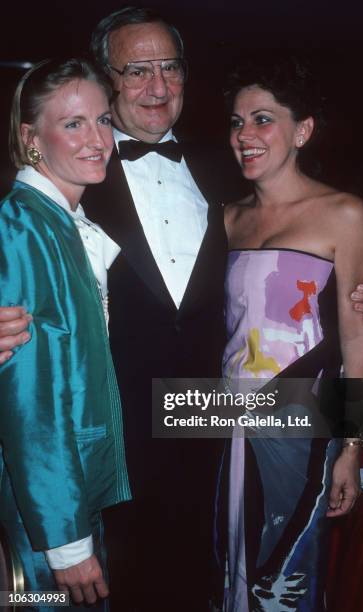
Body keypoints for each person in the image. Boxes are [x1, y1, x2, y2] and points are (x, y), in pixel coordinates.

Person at [0, 8, 363, 610]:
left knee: (208, 585)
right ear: (105, 78)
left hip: (212, 435)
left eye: (170, 67)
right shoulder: (77, 166)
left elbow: (285, 296)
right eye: (136, 71)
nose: (157, 86)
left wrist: (360, 300)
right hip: (108, 454)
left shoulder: (225, 174)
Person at [212, 56, 363, 611]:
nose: (246, 136)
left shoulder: (344, 215)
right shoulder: (227, 218)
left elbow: (357, 340)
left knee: (285, 572)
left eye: (263, 119)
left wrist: (352, 447)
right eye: (237, 122)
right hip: (223, 421)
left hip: (300, 424)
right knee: (227, 561)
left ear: (301, 131)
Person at [0, 58, 131, 610]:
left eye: (103, 120)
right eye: (73, 124)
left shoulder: (57, 221)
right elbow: (32, 397)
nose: (97, 138)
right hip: (47, 506)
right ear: (32, 139)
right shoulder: (27, 226)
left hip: (69, 490)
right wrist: (66, 541)